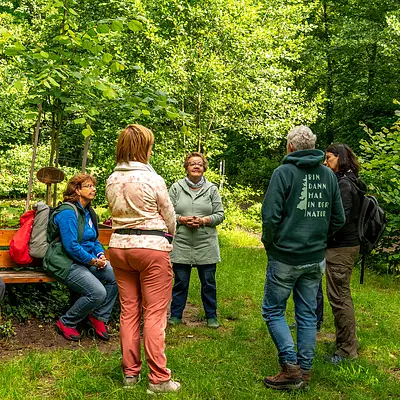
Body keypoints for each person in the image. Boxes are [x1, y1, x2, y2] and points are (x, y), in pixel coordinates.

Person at [261, 126, 345, 390]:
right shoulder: (329, 176)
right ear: (313, 146)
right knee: (307, 314)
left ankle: (291, 368)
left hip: (285, 255)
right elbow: (338, 219)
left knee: (273, 309)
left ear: (290, 147)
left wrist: (270, 242)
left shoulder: (283, 173)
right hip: (314, 257)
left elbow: (270, 217)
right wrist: (318, 240)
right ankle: (305, 372)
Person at [106, 124, 180, 394]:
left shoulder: (112, 178)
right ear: (144, 148)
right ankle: (159, 379)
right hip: (150, 248)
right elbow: (169, 215)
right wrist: (170, 235)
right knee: (155, 313)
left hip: (119, 248)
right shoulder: (152, 179)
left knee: (128, 311)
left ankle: (130, 374)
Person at [44, 174, 118, 342]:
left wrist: (100, 254)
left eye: (93, 186)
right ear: (77, 190)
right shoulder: (68, 213)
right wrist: (92, 261)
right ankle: (67, 322)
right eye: (89, 186)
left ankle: (99, 317)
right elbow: (71, 246)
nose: (94, 189)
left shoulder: (89, 212)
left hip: (86, 260)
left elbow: (94, 239)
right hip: (65, 261)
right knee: (98, 292)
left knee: (115, 277)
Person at [167, 152, 224, 329]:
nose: (196, 166)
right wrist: (182, 219)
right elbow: (167, 213)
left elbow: (220, 214)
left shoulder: (212, 189)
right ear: (186, 167)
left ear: (204, 168)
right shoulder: (176, 188)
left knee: (208, 282)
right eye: (192, 163)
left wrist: (204, 220)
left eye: (199, 164)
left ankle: (211, 316)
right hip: (182, 241)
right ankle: (176, 315)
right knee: (180, 282)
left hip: (206, 243)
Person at [324, 143, 366, 363]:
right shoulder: (351, 181)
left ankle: (347, 350)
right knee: (338, 295)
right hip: (345, 246)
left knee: (339, 297)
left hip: (341, 247)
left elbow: (339, 219)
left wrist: (322, 236)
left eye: (328, 157)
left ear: (339, 158)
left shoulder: (345, 185)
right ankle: (344, 342)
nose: (325, 162)